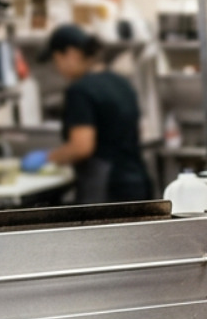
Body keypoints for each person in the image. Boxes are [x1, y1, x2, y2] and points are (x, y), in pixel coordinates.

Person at [23, 23, 151, 203]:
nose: (57, 68)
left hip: (107, 190)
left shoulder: (80, 90)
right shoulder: (121, 83)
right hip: (138, 181)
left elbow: (82, 147)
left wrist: (47, 158)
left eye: (57, 59)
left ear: (71, 53)